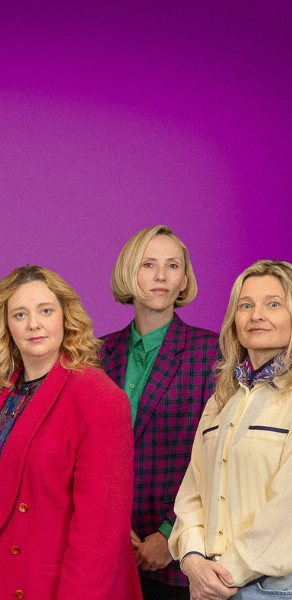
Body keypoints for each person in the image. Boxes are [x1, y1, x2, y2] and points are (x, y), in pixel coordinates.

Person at [0, 265, 141, 600]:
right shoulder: (0, 396)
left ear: (65, 316)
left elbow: (99, 534)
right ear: (7, 325)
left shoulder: (99, 398)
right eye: (20, 314)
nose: (34, 324)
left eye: (45, 310)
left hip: (52, 588)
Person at [99, 225, 220, 600]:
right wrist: (114, 525)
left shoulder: (210, 352)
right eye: (148, 264)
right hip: (109, 545)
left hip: (182, 554)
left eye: (173, 265)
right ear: (128, 273)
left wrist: (170, 534)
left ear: (185, 279)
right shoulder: (98, 354)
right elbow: (88, 455)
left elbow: (214, 457)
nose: (161, 275)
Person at [169, 259, 292, 600]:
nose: (256, 315)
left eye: (274, 304)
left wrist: (226, 573)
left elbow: (288, 510)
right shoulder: (222, 400)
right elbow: (191, 493)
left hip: (273, 589)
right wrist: (193, 559)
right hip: (209, 583)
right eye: (246, 305)